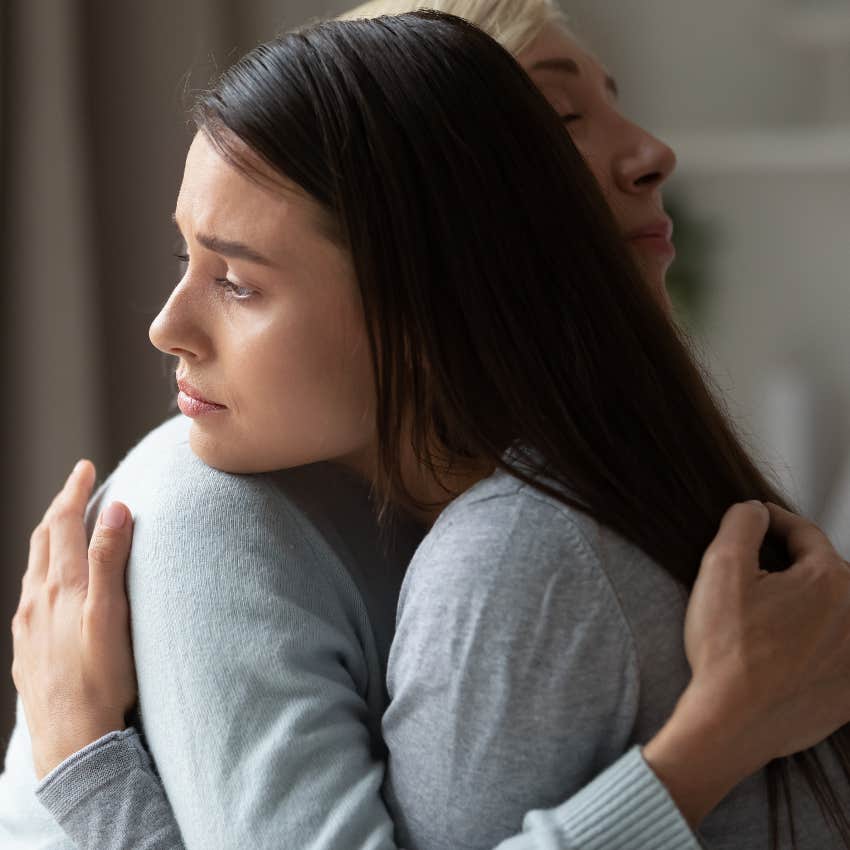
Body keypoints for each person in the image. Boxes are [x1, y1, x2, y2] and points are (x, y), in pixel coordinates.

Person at [7, 6, 850, 850]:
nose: (163, 325)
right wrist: (708, 746)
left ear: (424, 273)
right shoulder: (207, 507)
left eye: (236, 281)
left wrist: (86, 762)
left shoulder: (516, 544)